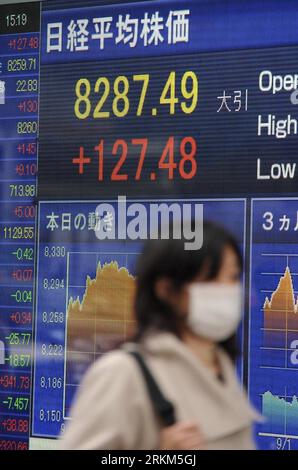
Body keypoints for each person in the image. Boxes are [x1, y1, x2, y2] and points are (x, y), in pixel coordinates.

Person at [60, 221, 262, 450]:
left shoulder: (220, 368)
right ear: (166, 290)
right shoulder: (123, 373)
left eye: (234, 277)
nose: (228, 290)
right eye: (211, 279)